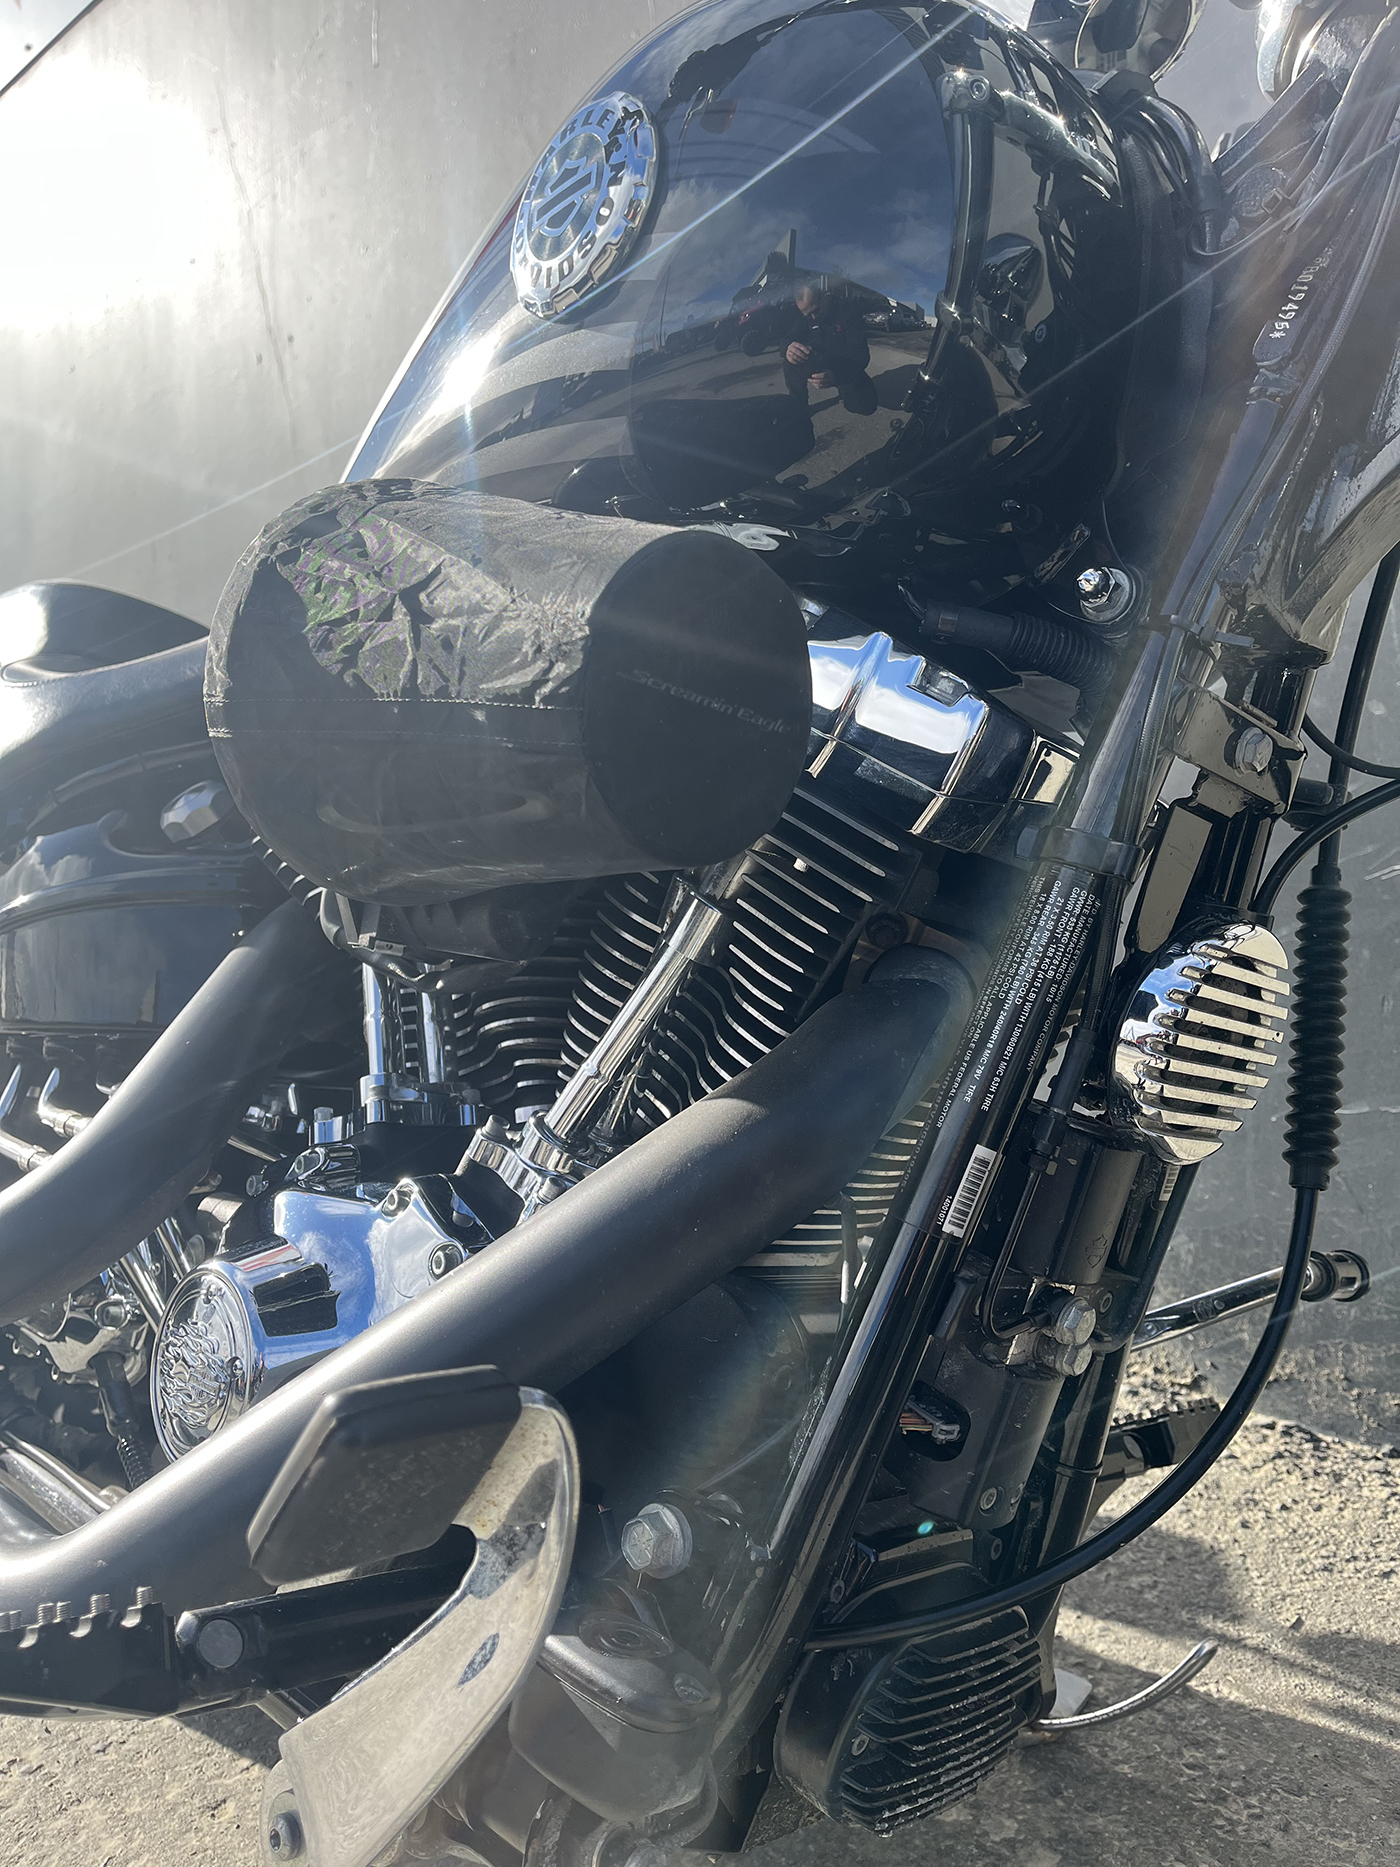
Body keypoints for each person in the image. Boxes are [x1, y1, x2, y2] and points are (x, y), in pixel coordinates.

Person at [779, 281, 879, 416]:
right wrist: (788, 348)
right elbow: (787, 339)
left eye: (815, 311)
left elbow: (861, 357)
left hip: (845, 365)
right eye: (807, 315)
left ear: (825, 297)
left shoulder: (848, 312)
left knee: (865, 406)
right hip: (820, 360)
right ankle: (799, 406)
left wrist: (837, 376)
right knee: (790, 360)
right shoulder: (807, 317)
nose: (812, 317)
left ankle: (848, 392)